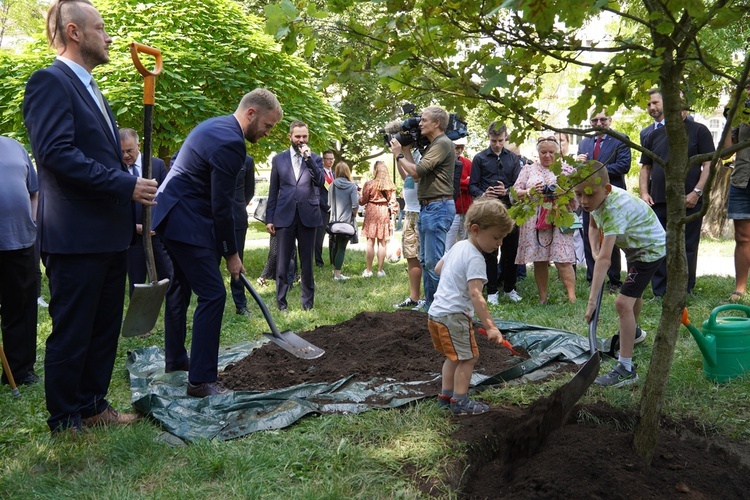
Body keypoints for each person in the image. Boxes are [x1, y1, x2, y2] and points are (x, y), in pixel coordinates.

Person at [23, 0, 158, 433]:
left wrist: (128, 189)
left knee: (102, 327)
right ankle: (64, 418)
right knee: (74, 328)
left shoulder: (92, 89)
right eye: (101, 28)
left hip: (108, 233)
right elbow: (56, 154)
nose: (110, 37)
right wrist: (124, 184)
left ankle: (93, 405)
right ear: (75, 32)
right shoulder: (49, 81)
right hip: (75, 236)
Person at [153, 89, 282, 397]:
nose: (267, 133)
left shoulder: (215, 125)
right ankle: (200, 381)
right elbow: (222, 205)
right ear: (251, 113)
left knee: (181, 288)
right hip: (187, 221)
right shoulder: (231, 142)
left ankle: (176, 359)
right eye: (267, 125)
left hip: (171, 217)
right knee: (212, 294)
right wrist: (232, 254)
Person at [574, 163, 665, 387]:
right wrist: (594, 248)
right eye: (578, 195)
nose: (584, 201)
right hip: (635, 246)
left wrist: (592, 300)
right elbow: (594, 225)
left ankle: (625, 368)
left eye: (588, 195)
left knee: (622, 303)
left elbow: (606, 260)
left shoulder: (614, 208)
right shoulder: (596, 200)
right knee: (634, 294)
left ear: (607, 189)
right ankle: (633, 333)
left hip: (649, 249)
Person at [428, 197, 514, 415]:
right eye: (496, 237)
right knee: (469, 357)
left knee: (454, 357)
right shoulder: (476, 258)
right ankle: (460, 401)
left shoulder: (458, 246)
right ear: (476, 229)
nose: (499, 243)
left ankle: (446, 396)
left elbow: (438, 268)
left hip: (436, 313)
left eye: (502, 238)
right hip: (453, 315)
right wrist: (492, 327)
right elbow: (476, 295)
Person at [639, 90, 714, 297]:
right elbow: (645, 167)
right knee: (659, 243)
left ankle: (685, 289)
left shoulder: (700, 131)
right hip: (658, 200)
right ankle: (660, 291)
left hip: (689, 199)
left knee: (687, 245)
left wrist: (697, 192)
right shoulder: (652, 135)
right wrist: (644, 193)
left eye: (678, 109)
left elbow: (709, 164)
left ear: (684, 110)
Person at [390, 106, 456, 309]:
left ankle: (439, 307)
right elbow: (415, 175)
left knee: (433, 261)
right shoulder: (435, 144)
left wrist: (399, 155)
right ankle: (430, 304)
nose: (420, 123)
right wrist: (407, 151)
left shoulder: (443, 144)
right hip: (429, 207)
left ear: (437, 123)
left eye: (424, 120)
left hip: (438, 207)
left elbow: (417, 170)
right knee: (427, 260)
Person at [266, 120, 324, 311]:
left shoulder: (315, 158)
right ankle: (281, 303)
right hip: (284, 216)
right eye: (297, 136)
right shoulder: (279, 159)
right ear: (290, 137)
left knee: (307, 263)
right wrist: (270, 218)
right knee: (282, 263)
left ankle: (308, 303)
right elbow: (273, 191)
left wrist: (308, 159)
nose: (301, 140)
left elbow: (320, 181)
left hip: (308, 215)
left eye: (304, 136)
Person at [514, 136, 578, 304]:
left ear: (558, 153)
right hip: (535, 220)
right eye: (543, 152)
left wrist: (562, 192)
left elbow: (577, 197)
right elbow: (514, 193)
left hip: (559, 218)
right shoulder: (528, 169)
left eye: (551, 152)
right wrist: (529, 191)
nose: (547, 155)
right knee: (540, 259)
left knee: (563, 258)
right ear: (538, 152)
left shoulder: (566, 169)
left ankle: (572, 297)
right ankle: (543, 297)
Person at [576, 108, 632, 292]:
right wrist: (579, 164)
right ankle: (593, 277)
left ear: (610, 120)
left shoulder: (621, 139)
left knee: (611, 237)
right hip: (588, 197)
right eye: (594, 120)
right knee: (589, 234)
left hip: (611, 196)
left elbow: (624, 166)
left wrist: (595, 171)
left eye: (602, 119)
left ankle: (614, 279)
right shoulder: (584, 143)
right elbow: (580, 171)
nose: (598, 124)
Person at [0, 135, 40, 387]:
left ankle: (19, 371)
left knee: (22, 308)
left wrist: (32, 222)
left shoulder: (15, 146)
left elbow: (33, 191)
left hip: (21, 242)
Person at [469, 121, 523, 304]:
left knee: (511, 251)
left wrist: (507, 191)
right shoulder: (479, 158)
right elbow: (472, 186)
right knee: (490, 252)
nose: (497, 144)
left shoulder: (513, 159)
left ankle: (510, 288)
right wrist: (483, 194)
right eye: (494, 141)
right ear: (488, 137)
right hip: (488, 211)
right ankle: (492, 290)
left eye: (500, 140)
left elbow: (520, 185)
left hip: (510, 210)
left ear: (506, 137)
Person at [120, 128, 174, 301]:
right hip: (132, 237)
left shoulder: (156, 165)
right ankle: (140, 324)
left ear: (139, 145)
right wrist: (132, 227)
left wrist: (154, 224)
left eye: (129, 150)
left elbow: (166, 197)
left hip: (156, 234)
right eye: (121, 152)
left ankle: (172, 313)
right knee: (136, 283)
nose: (126, 155)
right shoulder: (116, 169)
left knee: (168, 277)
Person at [725, 83, 750, 302]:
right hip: (742, 180)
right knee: (742, 237)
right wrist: (729, 118)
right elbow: (726, 150)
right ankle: (740, 287)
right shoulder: (741, 114)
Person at [359, 160, 399, 277]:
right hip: (383, 212)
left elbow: (362, 201)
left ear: (375, 170)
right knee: (382, 242)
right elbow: (394, 203)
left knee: (370, 242)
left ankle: (368, 270)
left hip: (372, 211)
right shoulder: (390, 186)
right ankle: (380, 270)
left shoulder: (369, 184)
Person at [230, 155, 255, 315]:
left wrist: (238, 205)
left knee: (238, 262)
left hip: (237, 218)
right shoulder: (212, 157)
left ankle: (240, 304)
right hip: (213, 219)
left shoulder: (246, 161)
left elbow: (249, 191)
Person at [328, 161, 359, 280]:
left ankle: (335, 270)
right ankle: (337, 274)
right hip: (346, 221)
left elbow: (329, 203)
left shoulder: (333, 185)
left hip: (334, 221)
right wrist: (354, 215)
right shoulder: (352, 186)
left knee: (335, 245)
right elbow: (355, 205)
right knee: (341, 247)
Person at [446, 138, 472, 252]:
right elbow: (451, 183)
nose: (459, 150)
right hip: (453, 209)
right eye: (457, 147)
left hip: (466, 209)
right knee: (449, 243)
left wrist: (464, 182)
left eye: (462, 147)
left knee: (464, 242)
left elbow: (473, 182)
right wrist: (466, 181)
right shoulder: (446, 163)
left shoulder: (467, 162)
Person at [315, 150, 335, 267]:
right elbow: (317, 192)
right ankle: (318, 262)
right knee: (319, 238)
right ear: (323, 160)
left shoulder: (335, 174)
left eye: (332, 159)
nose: (331, 161)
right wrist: (326, 206)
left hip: (335, 210)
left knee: (334, 236)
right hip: (322, 209)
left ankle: (333, 260)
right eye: (328, 159)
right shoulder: (319, 173)